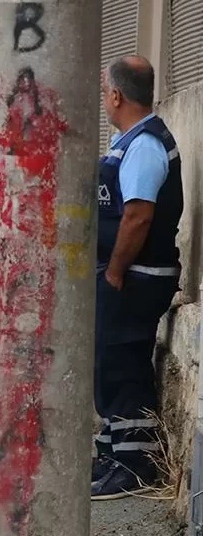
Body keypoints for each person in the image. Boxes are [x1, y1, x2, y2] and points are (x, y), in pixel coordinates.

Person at [91, 56, 183, 500]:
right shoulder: (127, 140)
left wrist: (113, 270)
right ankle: (112, 452)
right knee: (107, 361)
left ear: (116, 95)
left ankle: (135, 464)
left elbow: (138, 216)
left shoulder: (144, 144)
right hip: (126, 274)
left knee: (123, 361)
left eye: (104, 92)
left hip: (136, 275)